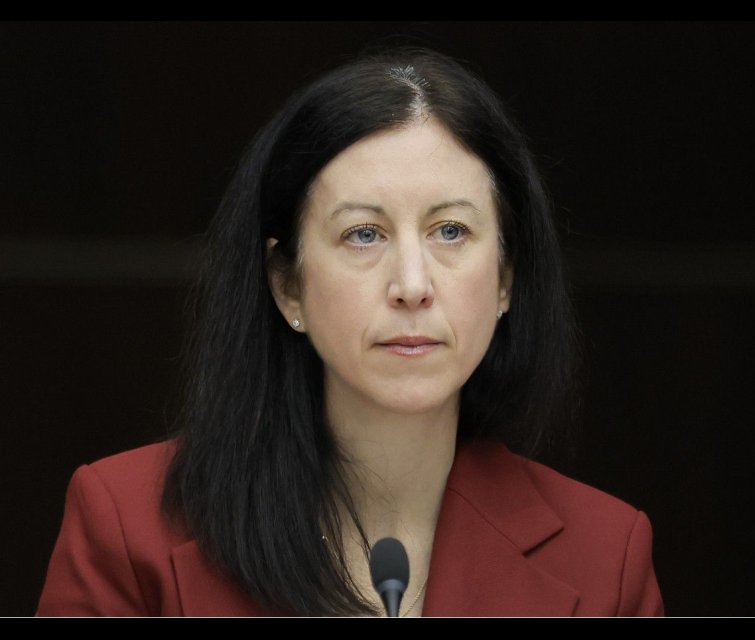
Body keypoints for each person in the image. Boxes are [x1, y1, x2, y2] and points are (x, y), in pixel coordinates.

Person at [36, 46, 664, 617]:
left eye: (450, 231)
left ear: (505, 279)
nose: (412, 284)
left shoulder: (605, 558)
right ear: (288, 285)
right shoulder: (128, 527)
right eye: (364, 234)